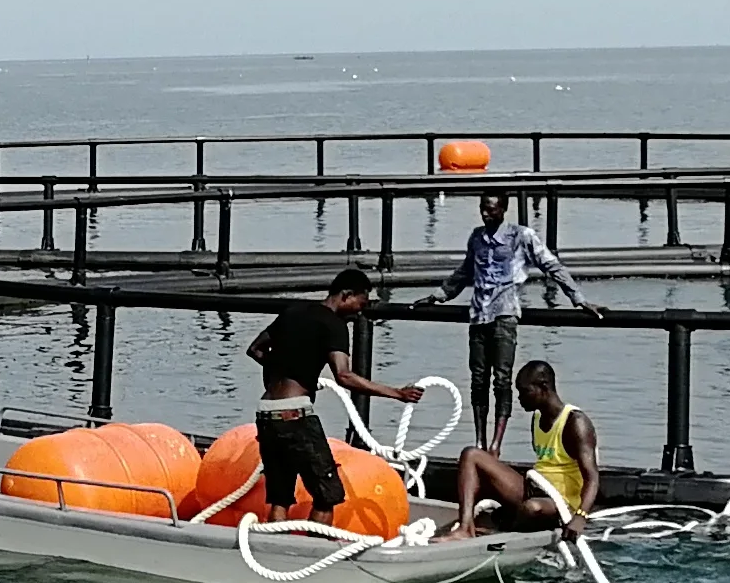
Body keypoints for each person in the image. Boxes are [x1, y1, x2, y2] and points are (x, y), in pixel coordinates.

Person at [243, 267, 423, 520]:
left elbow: (255, 350)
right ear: (346, 295)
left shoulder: (292, 311)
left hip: (265, 414)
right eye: (360, 304)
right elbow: (344, 375)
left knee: (280, 497)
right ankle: (315, 553)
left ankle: (277, 552)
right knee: (327, 495)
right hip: (295, 415)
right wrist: (396, 393)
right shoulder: (334, 325)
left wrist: (291, 371)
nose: (360, 312)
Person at [438, 192, 589, 448]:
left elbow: (551, 265)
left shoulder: (521, 236)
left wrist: (578, 298)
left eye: (492, 209)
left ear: (504, 210)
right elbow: (465, 271)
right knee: (478, 379)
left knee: (502, 379)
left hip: (504, 315)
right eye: (483, 208)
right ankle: (480, 439)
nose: (486, 214)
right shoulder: (476, 237)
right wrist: (440, 295)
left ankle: (497, 442)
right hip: (478, 316)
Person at [444, 359, 601, 537]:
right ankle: (465, 528)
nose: (519, 398)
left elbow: (592, 478)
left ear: (543, 388)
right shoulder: (537, 418)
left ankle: (500, 525)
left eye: (525, 392)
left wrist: (580, 516)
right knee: (471, 455)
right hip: (533, 487)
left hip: (560, 502)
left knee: (531, 508)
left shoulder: (576, 423)